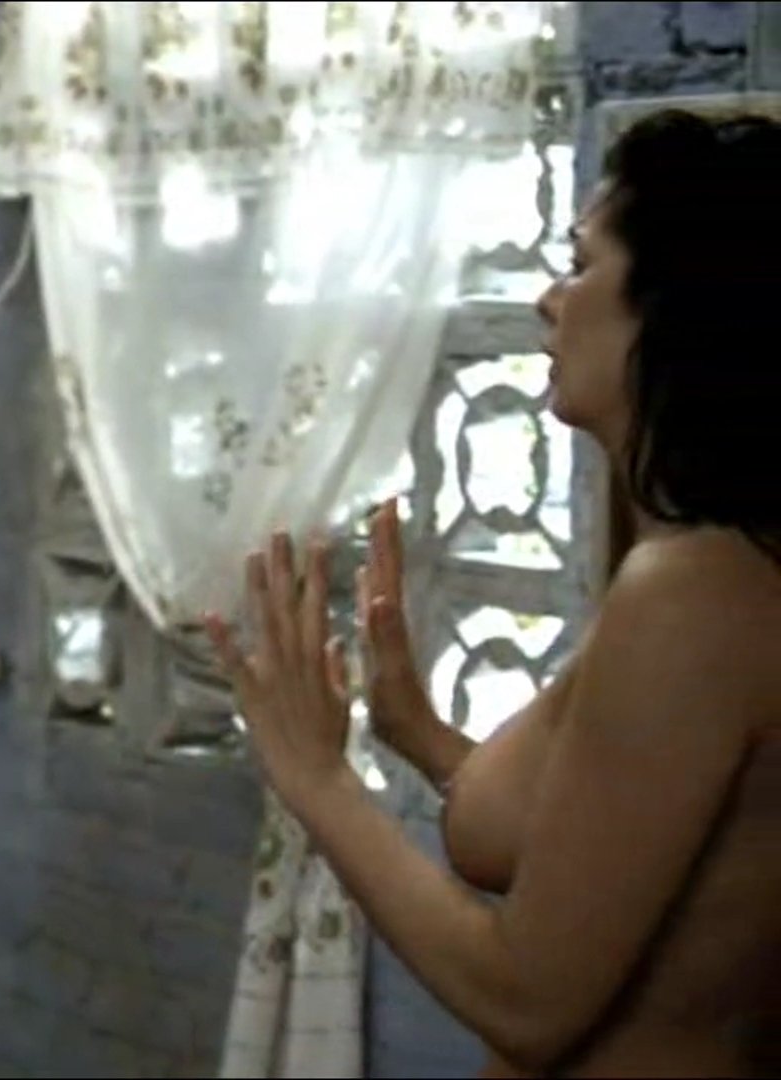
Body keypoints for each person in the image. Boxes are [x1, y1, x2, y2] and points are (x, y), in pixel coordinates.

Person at [206, 108, 781, 1078]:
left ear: (676, 308)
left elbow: (526, 999)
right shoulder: (711, 572)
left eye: (581, 264)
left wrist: (318, 780)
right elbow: (604, 855)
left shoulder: (694, 596)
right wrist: (419, 736)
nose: (550, 301)